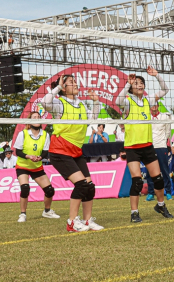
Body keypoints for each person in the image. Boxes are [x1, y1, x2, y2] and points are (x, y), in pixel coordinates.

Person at [42, 74, 104, 232]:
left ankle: (87, 221)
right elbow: (45, 102)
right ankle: (71, 222)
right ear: (63, 87)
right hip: (60, 151)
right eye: (71, 82)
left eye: (75, 81)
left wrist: (96, 101)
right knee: (82, 184)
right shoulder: (59, 103)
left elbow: (93, 117)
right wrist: (58, 87)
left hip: (76, 151)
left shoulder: (81, 104)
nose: (76, 84)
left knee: (89, 187)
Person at [114, 66, 173, 223]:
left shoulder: (148, 100)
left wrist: (157, 75)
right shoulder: (127, 103)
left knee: (158, 179)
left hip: (147, 146)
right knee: (137, 181)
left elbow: (165, 89)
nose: (139, 85)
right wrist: (127, 83)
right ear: (132, 87)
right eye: (136, 83)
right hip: (133, 148)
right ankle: (134, 212)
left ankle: (160, 205)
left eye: (141, 83)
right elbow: (117, 101)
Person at [14, 112, 60, 222]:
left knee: (50, 190)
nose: (37, 119)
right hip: (23, 166)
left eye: (39, 117)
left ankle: (47, 211)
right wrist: (28, 156)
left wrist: (40, 157)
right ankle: (23, 214)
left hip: (37, 166)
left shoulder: (45, 134)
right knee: (25, 188)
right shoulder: (23, 134)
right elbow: (17, 151)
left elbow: (45, 152)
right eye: (34, 117)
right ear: (29, 121)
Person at [145, 104, 174, 201]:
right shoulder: (146, 117)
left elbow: (167, 132)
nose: (154, 107)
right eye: (152, 105)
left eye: (155, 105)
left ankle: (168, 192)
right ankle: (151, 193)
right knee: (149, 172)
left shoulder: (164, 116)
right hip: (149, 146)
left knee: (164, 170)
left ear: (157, 106)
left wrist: (163, 141)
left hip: (161, 146)